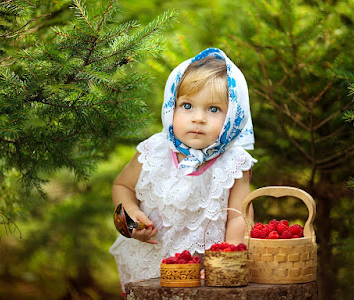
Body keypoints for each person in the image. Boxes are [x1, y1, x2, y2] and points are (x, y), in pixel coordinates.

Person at [109, 48, 257, 292]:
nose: (198, 118)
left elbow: (239, 216)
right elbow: (122, 186)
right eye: (187, 105)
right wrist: (130, 218)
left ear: (233, 116)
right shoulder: (154, 150)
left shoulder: (233, 163)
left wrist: (226, 260)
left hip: (202, 276)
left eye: (213, 109)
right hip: (145, 267)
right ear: (171, 107)